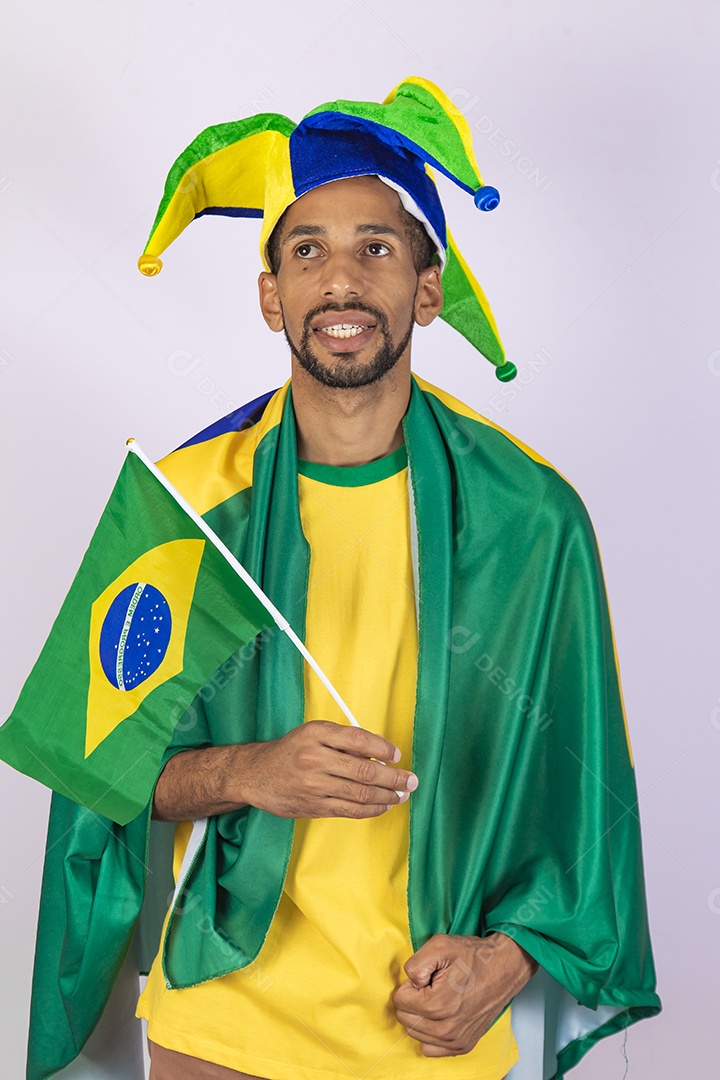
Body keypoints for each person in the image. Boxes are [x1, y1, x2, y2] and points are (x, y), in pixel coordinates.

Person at [21, 78, 660, 1080]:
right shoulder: (185, 506)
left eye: (378, 247)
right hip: (225, 1023)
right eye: (306, 249)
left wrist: (511, 958)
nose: (342, 281)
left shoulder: (531, 519)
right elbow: (95, 769)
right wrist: (249, 773)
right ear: (271, 293)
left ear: (428, 286)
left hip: (433, 1029)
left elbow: (584, 799)